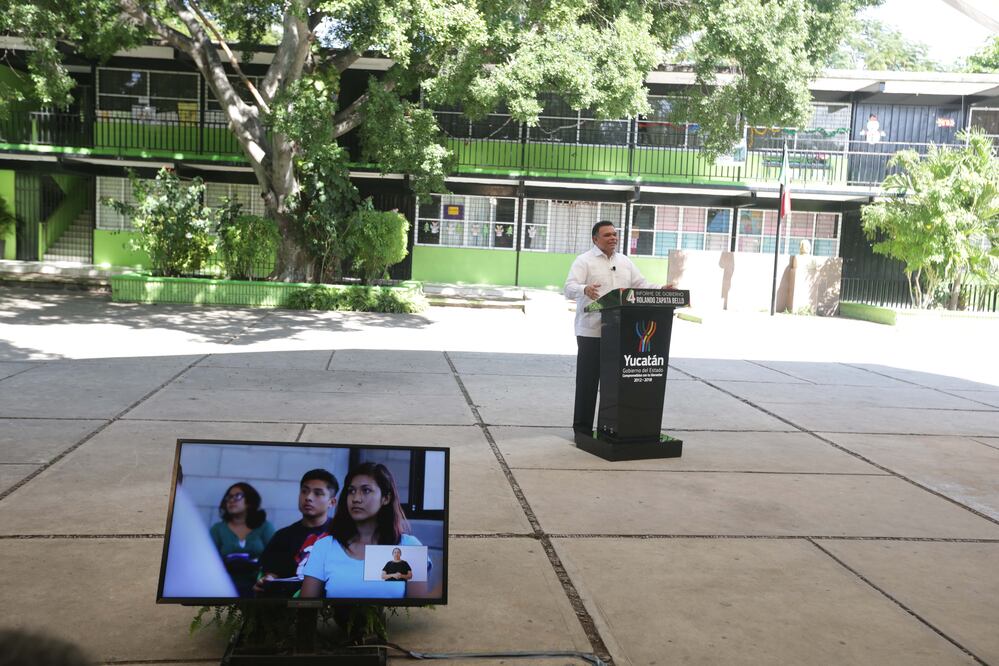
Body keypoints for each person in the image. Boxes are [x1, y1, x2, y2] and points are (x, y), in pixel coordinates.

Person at [564, 220, 669, 437]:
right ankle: (581, 430)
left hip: (621, 334)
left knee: (615, 384)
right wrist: (585, 289)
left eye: (614, 234)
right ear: (595, 239)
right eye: (607, 235)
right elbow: (568, 287)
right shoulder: (584, 261)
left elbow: (641, 285)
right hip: (592, 331)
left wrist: (661, 288)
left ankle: (609, 427)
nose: (613, 238)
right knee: (588, 383)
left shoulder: (625, 262)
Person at [300, 462, 423, 600]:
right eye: (351, 491)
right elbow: (307, 607)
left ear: (386, 498)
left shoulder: (409, 546)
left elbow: (418, 611)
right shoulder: (324, 547)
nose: (356, 499)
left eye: (366, 490)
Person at [253, 469, 339, 597]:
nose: (308, 497)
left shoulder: (341, 533)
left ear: (331, 502)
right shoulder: (282, 536)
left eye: (317, 493)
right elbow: (271, 572)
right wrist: (266, 581)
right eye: (304, 491)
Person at [209, 482, 275, 597]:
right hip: (224, 586)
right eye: (228, 497)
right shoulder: (218, 529)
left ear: (249, 502)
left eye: (238, 496)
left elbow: (275, 557)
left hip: (258, 587)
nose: (231, 500)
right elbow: (209, 561)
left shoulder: (265, 527)